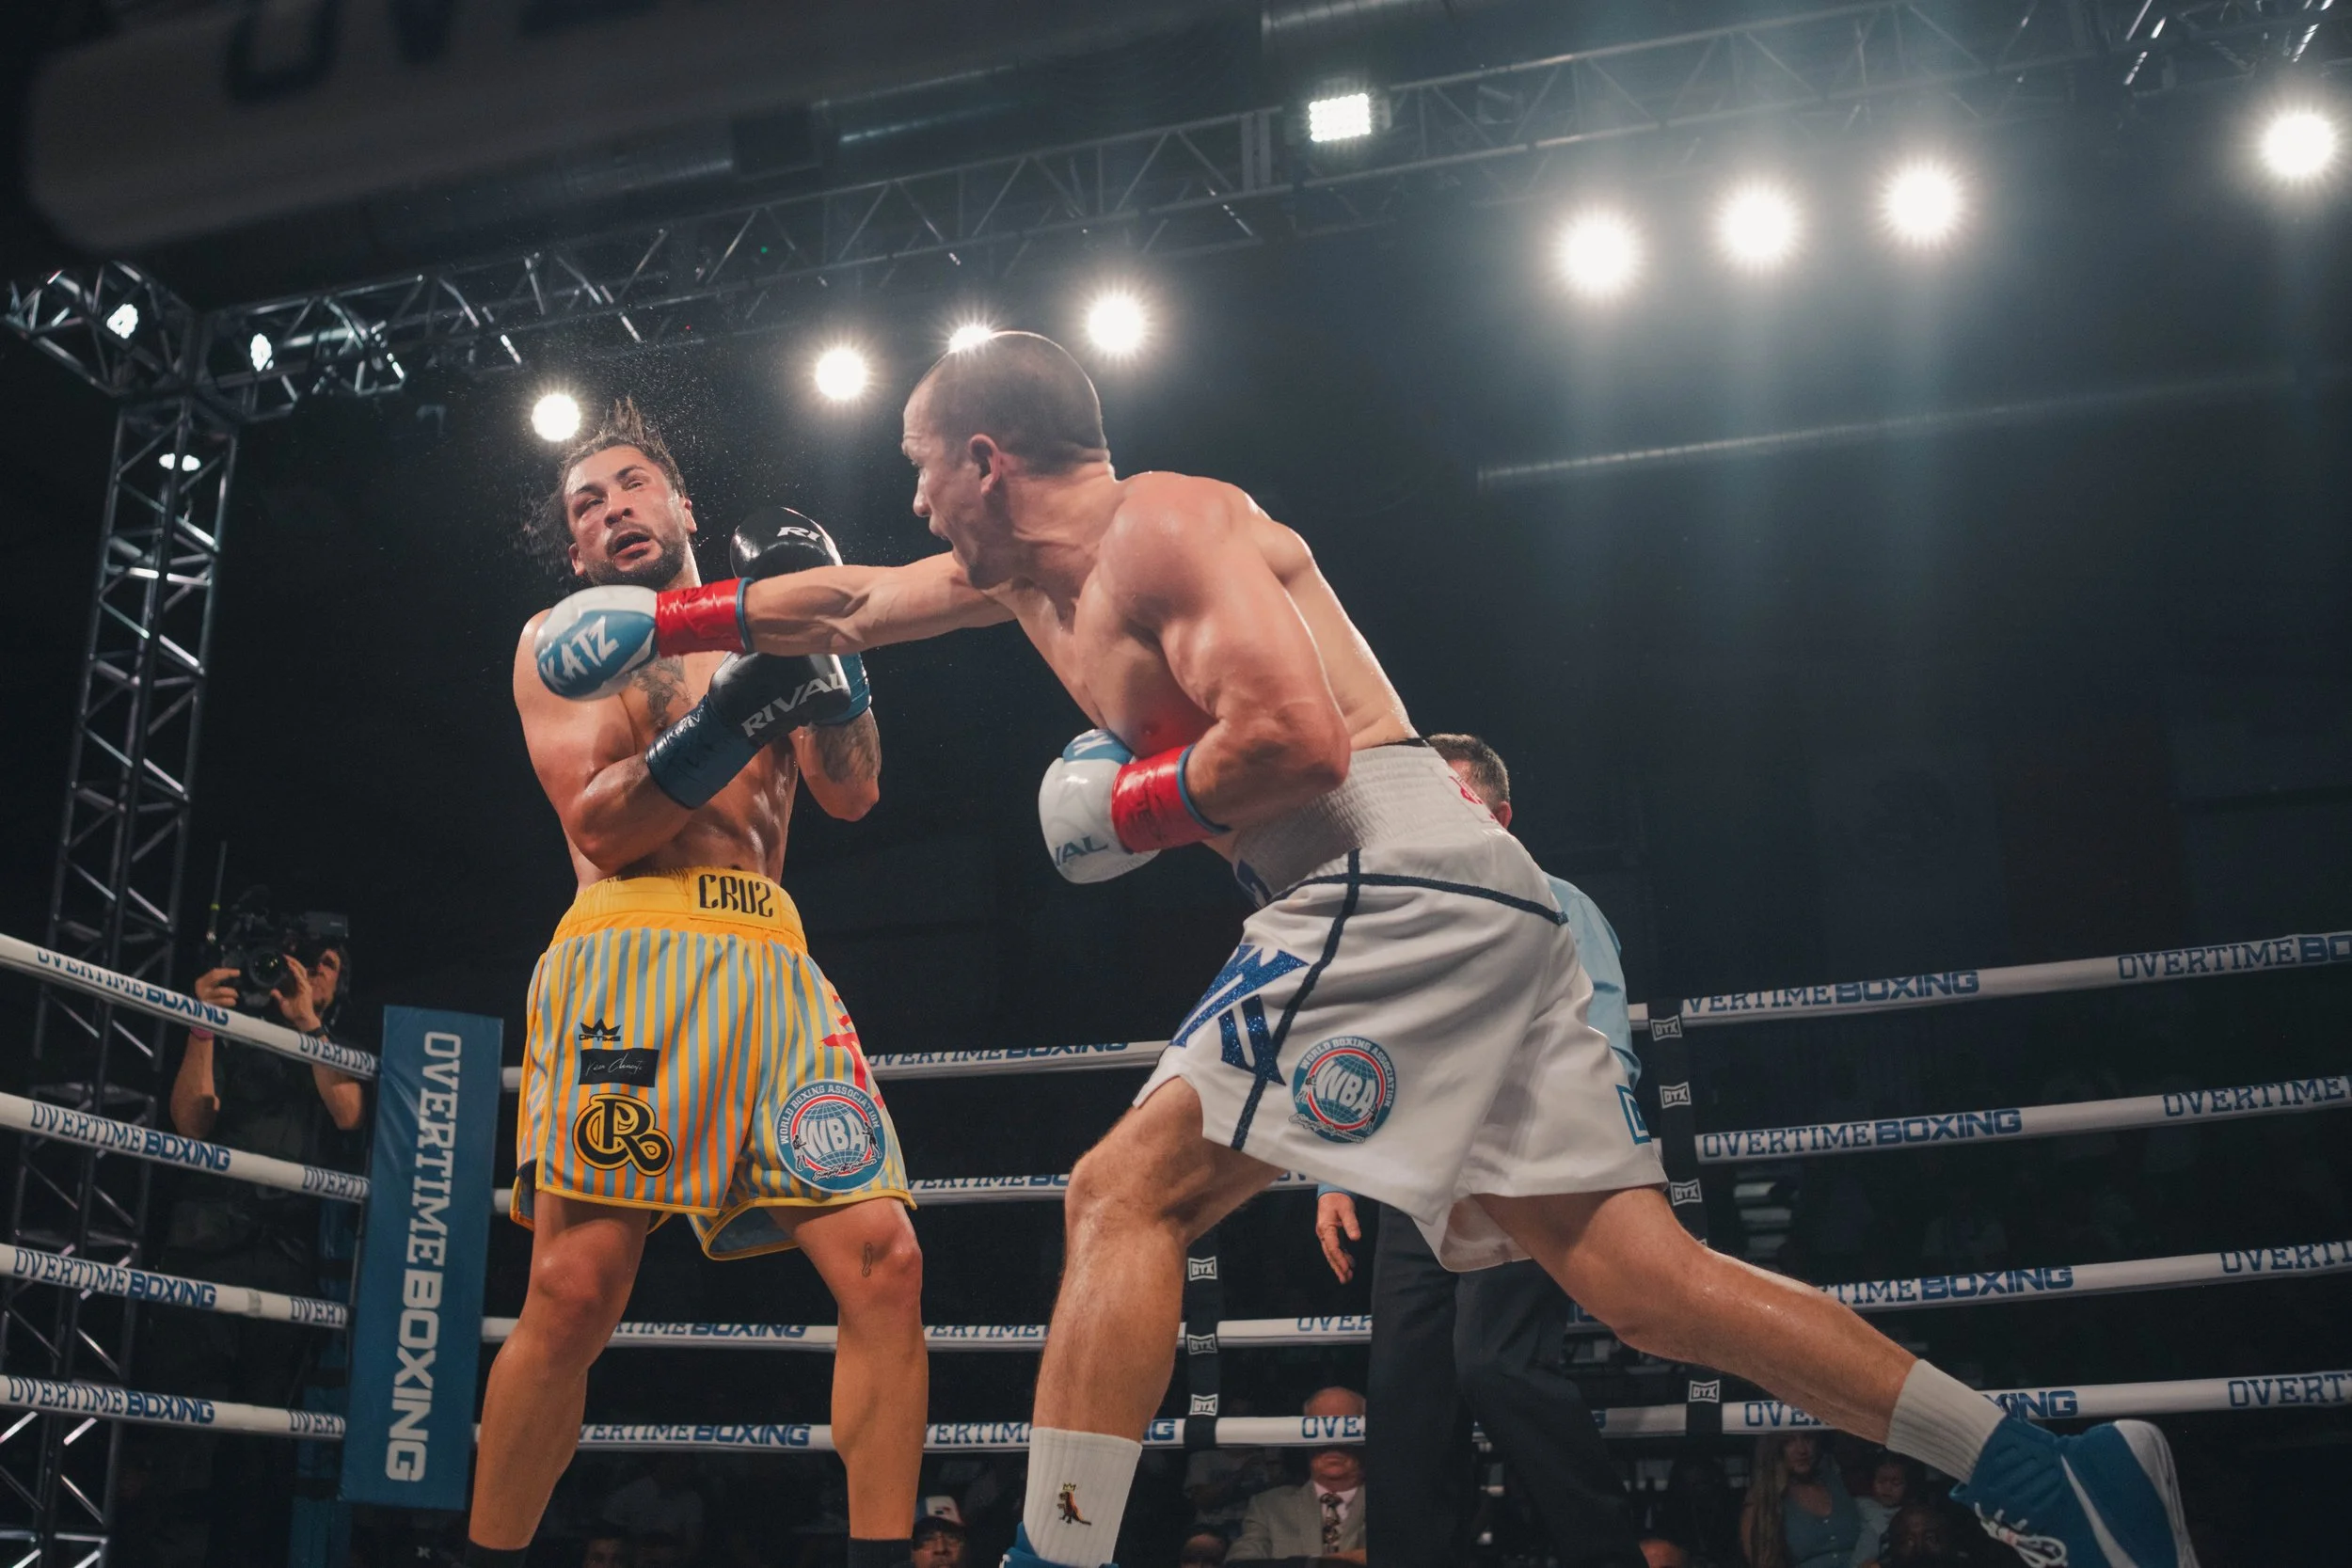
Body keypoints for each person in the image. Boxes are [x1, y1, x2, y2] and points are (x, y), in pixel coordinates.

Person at [530, 332, 2198, 1568]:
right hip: (1458, 898)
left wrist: (1139, 806)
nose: (907, 499)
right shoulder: (1031, 579)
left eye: (919, 467)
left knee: (1120, 1195)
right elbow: (858, 604)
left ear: (986, 458)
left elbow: (1300, 740)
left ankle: (1051, 1554)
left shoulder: (1168, 525)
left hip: (1381, 872)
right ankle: (2042, 1471)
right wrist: (671, 620)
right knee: (1645, 1281)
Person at [473, 400, 924, 1568]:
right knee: (575, 1289)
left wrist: (836, 662)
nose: (612, 508)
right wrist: (737, 706)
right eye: (587, 503)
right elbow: (602, 825)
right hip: (630, 949)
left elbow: (853, 792)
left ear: (682, 506)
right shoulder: (563, 641)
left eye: (631, 484)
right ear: (575, 549)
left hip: (772, 956)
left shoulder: (763, 617)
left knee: (886, 1261)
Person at [1312, 732, 1644, 1568]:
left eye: (1452, 803)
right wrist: (1332, 1174)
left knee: (1496, 1364)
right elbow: (1360, 1051)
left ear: (1500, 816)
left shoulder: (1559, 903)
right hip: (1418, 1178)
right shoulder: (1397, 922)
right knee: (1405, 1398)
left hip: (1527, 1163)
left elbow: (1607, 1047)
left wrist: (1591, 1172)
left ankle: (1608, 1555)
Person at [147, 919, 367, 1568]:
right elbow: (191, 1122)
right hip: (204, 1248)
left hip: (284, 1259)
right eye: (303, 958)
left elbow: (349, 1112)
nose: (310, 969)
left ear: (339, 987)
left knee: (260, 1445)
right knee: (182, 1434)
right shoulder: (235, 1029)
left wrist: (307, 1024)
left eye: (327, 964)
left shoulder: (334, 1048)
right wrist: (202, 1025)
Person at [1228, 1389, 1366, 1564]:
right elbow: (1240, 1563)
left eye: (1346, 1429)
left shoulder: (1392, 1504)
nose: (1333, 1441)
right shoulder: (1269, 1506)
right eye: (1319, 1430)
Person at [1741, 1434, 1863, 1568]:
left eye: (1808, 1438)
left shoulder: (1839, 1483)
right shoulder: (1763, 1499)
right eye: (1789, 1441)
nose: (1802, 1450)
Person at [1851, 1456, 1917, 1568]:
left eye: (1896, 1483)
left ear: (1907, 1485)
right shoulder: (1860, 1505)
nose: (1887, 1488)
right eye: (1881, 1481)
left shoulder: (1910, 1515)